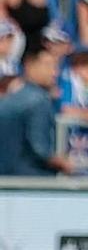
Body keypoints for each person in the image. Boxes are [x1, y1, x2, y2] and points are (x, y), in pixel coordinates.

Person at [0, 44, 65, 175]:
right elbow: (40, 148)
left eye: (56, 66)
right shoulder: (38, 101)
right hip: (32, 181)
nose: (55, 72)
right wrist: (62, 163)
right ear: (29, 65)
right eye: (49, 65)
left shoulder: (11, 97)